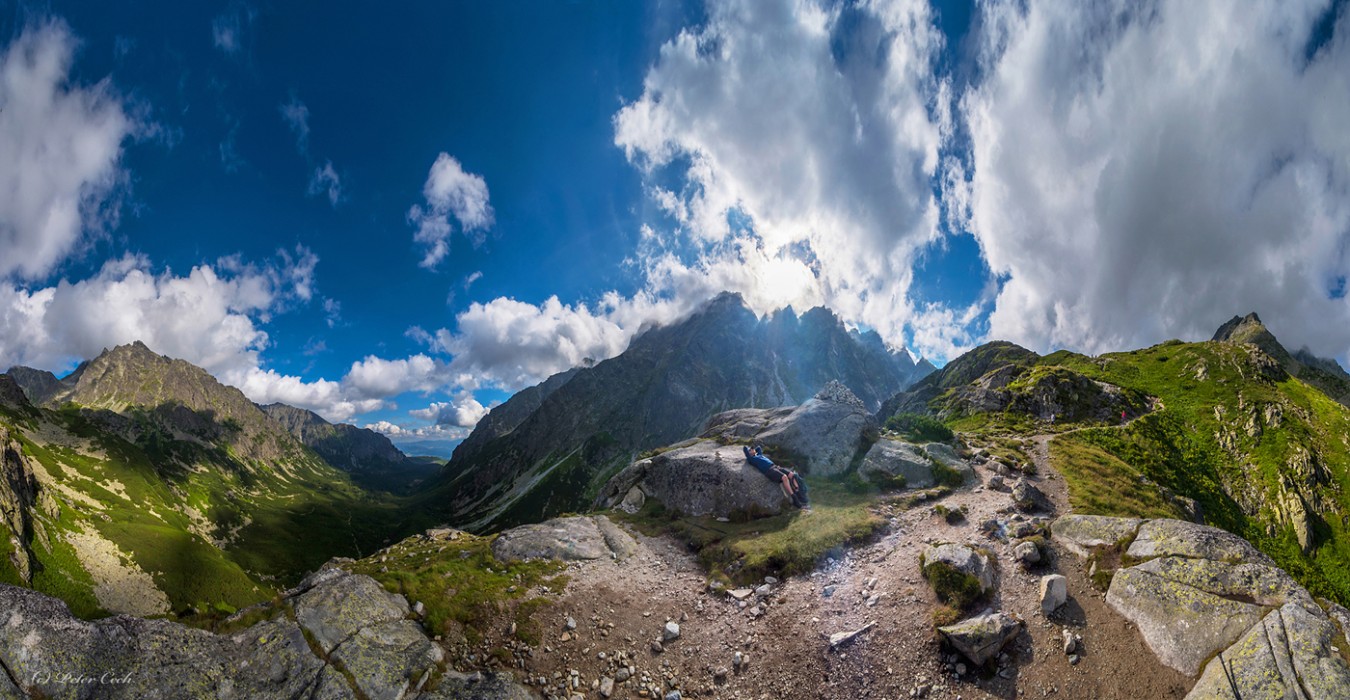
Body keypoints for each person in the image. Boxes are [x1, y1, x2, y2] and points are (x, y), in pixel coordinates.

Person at [743, 444, 809, 509]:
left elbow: (759, 448)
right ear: (748, 453)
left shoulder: (759, 455)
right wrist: (748, 450)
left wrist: (753, 450)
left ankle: (799, 495)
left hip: (775, 467)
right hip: (769, 471)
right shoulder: (751, 459)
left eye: (752, 449)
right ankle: (795, 500)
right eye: (750, 450)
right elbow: (745, 448)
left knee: (792, 475)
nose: (752, 449)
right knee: (784, 477)